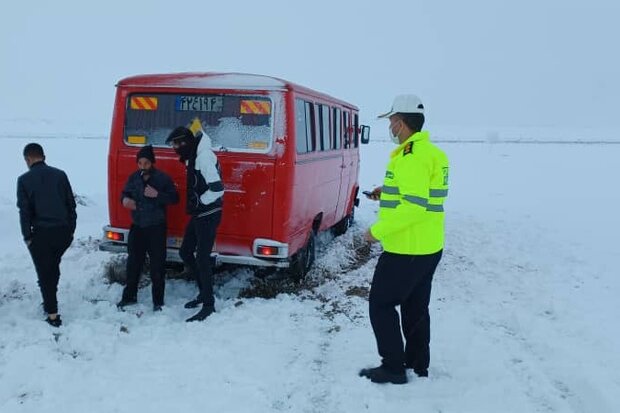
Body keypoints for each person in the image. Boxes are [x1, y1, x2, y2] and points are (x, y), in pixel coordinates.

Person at [359, 95, 449, 384]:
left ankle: (394, 367)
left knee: (381, 304)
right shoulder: (432, 153)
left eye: (391, 121)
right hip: (428, 246)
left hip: (406, 248)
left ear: (401, 122)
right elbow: (420, 194)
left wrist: (376, 231)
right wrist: (386, 191)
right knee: (415, 306)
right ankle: (418, 363)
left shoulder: (410, 158)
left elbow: (413, 207)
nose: (390, 127)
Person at [165, 124, 224, 322]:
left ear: (185, 142)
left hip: (209, 213)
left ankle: (208, 305)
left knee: (202, 259)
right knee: (185, 252)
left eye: (176, 144)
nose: (175, 149)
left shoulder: (204, 157)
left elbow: (217, 189)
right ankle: (203, 292)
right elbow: (195, 125)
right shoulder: (194, 154)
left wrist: (200, 201)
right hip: (200, 214)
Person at [17, 143, 77, 327]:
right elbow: (71, 205)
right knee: (52, 267)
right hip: (62, 232)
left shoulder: (24, 180)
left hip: (41, 234)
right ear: (44, 156)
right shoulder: (60, 175)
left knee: (45, 272)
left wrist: (27, 236)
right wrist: (70, 230)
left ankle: (52, 314)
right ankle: (49, 300)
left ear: (27, 159)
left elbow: (24, 211)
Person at [117, 145, 179, 312]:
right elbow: (124, 193)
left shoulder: (162, 179)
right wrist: (124, 200)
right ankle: (129, 297)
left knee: (157, 266)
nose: (142, 166)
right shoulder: (133, 178)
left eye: (146, 163)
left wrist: (158, 195)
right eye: (140, 163)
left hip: (156, 228)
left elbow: (174, 198)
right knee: (133, 264)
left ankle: (158, 302)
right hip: (137, 227)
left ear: (152, 162)